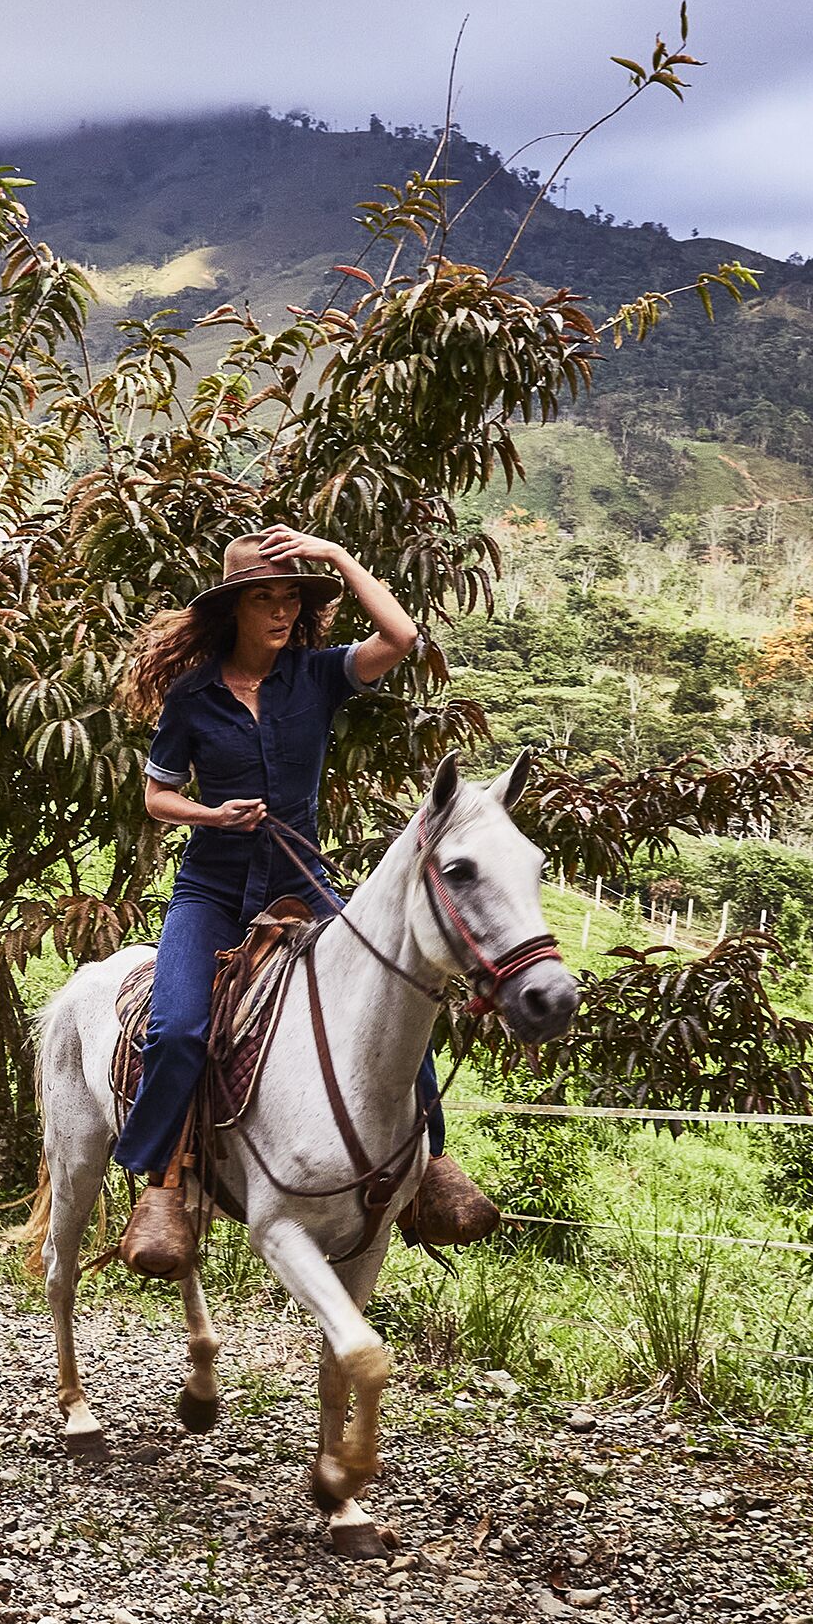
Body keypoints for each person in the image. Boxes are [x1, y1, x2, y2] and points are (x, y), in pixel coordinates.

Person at [113, 529, 502, 1278]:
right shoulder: (192, 697)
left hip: (302, 882)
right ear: (233, 608)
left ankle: (431, 1165)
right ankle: (162, 1182)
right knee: (178, 1027)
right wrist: (211, 815)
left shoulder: (317, 675)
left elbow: (403, 637)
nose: (282, 610)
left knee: (397, 995)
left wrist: (337, 557)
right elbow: (157, 796)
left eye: (291, 597)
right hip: (213, 888)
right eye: (266, 597)